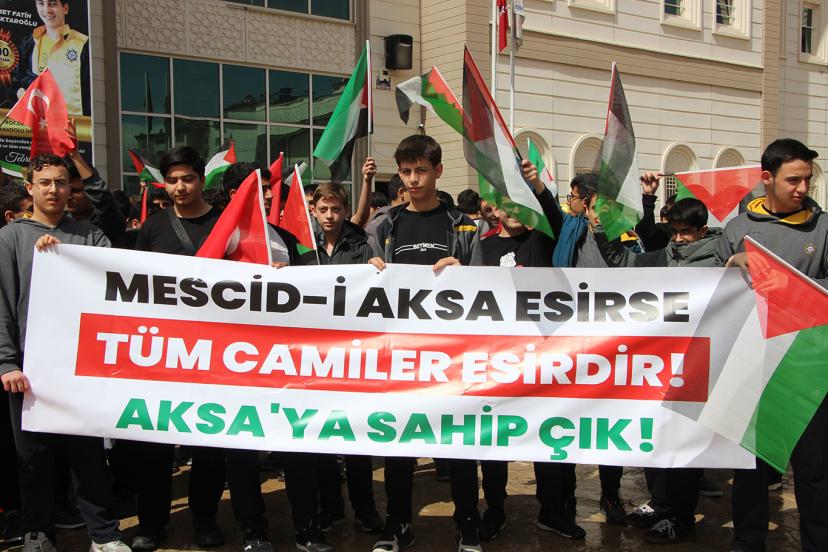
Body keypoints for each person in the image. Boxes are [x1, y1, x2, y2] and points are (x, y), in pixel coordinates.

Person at [0, 153, 127, 552]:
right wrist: (7, 361)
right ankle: (38, 533)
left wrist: (67, 259)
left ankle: (104, 534)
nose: (53, 189)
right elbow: (3, 303)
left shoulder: (89, 235)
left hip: (82, 365)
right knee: (33, 458)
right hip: (29, 369)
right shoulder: (10, 237)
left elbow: (114, 273)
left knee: (88, 456)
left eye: (60, 182)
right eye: (45, 183)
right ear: (30, 188)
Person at [368, 134, 481, 552]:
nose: (413, 179)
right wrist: (369, 269)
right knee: (399, 443)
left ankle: (467, 525)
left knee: (459, 442)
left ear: (438, 171)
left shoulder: (464, 224)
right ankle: (397, 525)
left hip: (453, 354)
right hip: (400, 353)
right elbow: (362, 287)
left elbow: (488, 289)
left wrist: (464, 270)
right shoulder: (385, 224)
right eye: (406, 171)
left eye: (421, 170)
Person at [716, 138, 828, 552]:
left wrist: (789, 284)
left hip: (808, 368)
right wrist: (731, 266)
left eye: (807, 180)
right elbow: (710, 293)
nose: (803, 188)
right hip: (752, 367)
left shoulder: (824, 228)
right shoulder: (737, 229)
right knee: (749, 468)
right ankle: (748, 541)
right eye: (793, 180)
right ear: (767, 178)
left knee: (814, 470)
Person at [590, 189, 720, 544]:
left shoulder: (719, 262)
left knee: (684, 445)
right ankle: (662, 504)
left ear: (702, 230)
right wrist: (601, 230)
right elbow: (622, 262)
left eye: (685, 233)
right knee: (656, 437)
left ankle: (681, 518)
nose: (678, 239)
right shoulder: (664, 257)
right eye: (673, 231)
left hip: (695, 367)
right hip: (659, 366)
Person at [129, 146, 227, 551]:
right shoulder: (153, 228)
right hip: (163, 352)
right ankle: (152, 524)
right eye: (172, 180)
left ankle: (205, 520)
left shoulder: (227, 222)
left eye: (187, 178)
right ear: (164, 184)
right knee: (154, 444)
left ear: (201, 179)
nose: (180, 187)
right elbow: (134, 284)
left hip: (217, 352)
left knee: (209, 444)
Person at [282, 181, 381, 551]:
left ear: (345, 210)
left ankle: (365, 509)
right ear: (313, 210)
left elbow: (375, 291)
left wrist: (377, 270)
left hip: (352, 358)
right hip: (313, 359)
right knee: (320, 439)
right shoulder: (301, 249)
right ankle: (332, 508)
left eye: (336, 209)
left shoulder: (360, 246)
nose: (329, 216)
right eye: (322, 209)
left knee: (355, 438)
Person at [478, 159, 565, 543]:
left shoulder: (541, 237)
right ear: (494, 210)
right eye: (506, 204)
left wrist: (539, 189)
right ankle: (494, 509)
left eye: (520, 203)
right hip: (498, 358)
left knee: (548, 436)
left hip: (542, 356)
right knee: (494, 440)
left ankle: (553, 511)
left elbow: (555, 217)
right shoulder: (484, 246)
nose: (513, 211)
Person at [17, 0, 90, 116]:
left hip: (71, 122)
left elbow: (90, 91)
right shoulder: (29, 43)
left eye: (53, 4)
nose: (46, 10)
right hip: (36, 120)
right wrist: (20, 92)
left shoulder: (83, 44)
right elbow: (18, 79)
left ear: (65, 8)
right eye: (41, 4)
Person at [65, 121, 125, 247]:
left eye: (76, 191)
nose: (69, 197)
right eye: (67, 190)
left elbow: (101, 196)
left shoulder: (107, 221)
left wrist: (75, 155)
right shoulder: (60, 223)